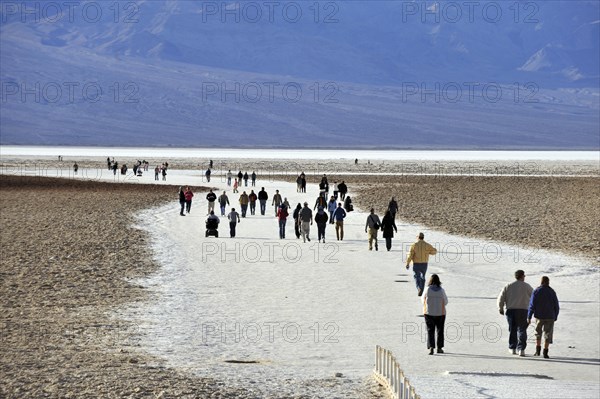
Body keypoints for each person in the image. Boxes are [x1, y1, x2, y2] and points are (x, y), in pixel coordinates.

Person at [498, 270, 533, 357]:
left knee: (512, 329)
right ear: (522, 276)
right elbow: (533, 298)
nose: (524, 277)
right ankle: (521, 349)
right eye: (524, 276)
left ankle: (512, 348)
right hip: (524, 311)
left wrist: (500, 308)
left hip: (511, 310)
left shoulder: (509, 286)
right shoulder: (527, 286)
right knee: (522, 330)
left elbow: (501, 297)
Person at [527, 276, 559, 359]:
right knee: (548, 334)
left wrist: (529, 316)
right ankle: (545, 351)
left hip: (539, 316)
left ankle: (537, 351)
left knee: (538, 333)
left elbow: (532, 305)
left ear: (541, 282)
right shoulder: (552, 292)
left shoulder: (536, 291)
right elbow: (556, 305)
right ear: (548, 282)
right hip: (550, 316)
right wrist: (555, 316)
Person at [423, 274, 448, 355]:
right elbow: (446, 301)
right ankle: (439, 348)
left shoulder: (427, 289)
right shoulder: (441, 290)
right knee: (440, 331)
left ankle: (431, 348)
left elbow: (422, 299)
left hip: (429, 313)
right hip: (440, 313)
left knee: (430, 330)